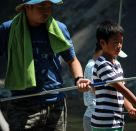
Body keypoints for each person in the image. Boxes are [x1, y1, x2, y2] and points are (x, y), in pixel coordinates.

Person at [0, 0, 90, 130]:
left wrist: (79, 79)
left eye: (49, 6)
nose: (47, 10)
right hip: (22, 105)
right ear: (27, 6)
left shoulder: (59, 28)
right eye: (41, 6)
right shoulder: (8, 29)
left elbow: (72, 60)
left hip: (56, 105)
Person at [91, 20, 136, 131]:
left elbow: (121, 92)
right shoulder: (102, 64)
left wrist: (130, 108)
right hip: (104, 123)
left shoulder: (117, 64)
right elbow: (121, 89)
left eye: (121, 42)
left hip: (117, 121)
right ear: (102, 43)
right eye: (115, 42)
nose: (119, 46)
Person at [83, 41, 136, 131]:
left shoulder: (113, 65)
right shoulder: (93, 66)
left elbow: (120, 89)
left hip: (112, 118)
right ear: (104, 48)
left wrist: (130, 108)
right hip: (96, 118)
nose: (116, 57)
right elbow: (100, 90)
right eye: (115, 54)